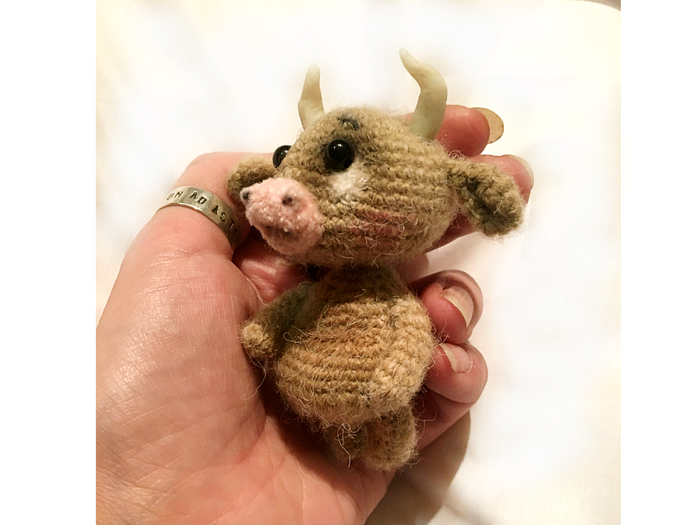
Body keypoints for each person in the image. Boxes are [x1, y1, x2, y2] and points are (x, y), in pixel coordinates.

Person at [93, 105, 534, 524]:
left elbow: (405, 332)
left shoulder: (389, 302)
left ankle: (381, 424)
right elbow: (292, 310)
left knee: (396, 403)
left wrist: (393, 378)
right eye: (285, 160)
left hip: (370, 392)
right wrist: (267, 330)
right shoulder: (311, 291)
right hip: (302, 389)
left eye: (338, 157)